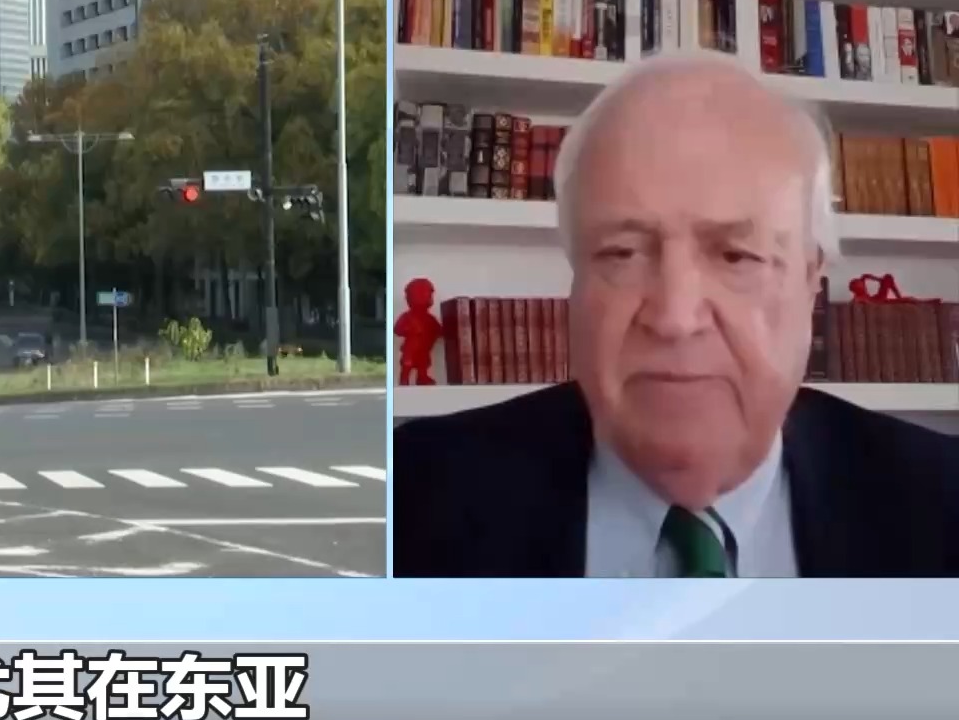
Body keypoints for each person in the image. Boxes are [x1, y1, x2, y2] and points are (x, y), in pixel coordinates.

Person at [395, 53, 958, 578]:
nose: (674, 318)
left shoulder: (942, 501)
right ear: (576, 278)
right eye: (622, 253)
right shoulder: (411, 495)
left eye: (736, 256)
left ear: (811, 282)